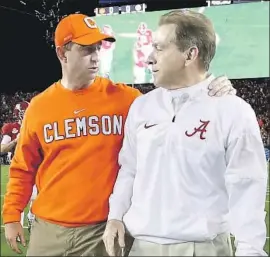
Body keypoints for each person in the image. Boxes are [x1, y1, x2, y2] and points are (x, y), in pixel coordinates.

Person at [3, 13, 235, 256]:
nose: (95, 57)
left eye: (97, 48)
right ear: (62, 54)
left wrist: (210, 90)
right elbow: (23, 168)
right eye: (85, 50)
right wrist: (11, 215)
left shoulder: (128, 100)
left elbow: (177, 105)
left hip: (104, 230)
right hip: (48, 231)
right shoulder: (40, 107)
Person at [103, 10, 268, 257]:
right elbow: (129, 169)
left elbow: (247, 188)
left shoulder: (233, 111)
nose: (149, 58)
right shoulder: (141, 106)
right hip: (141, 246)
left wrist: (251, 251)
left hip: (203, 248)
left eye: (159, 48)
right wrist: (115, 215)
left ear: (190, 54)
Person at [1, 101, 37, 233]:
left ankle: (32, 217)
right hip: (19, 167)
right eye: (21, 112)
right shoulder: (11, 127)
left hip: (36, 166)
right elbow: (2, 148)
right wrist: (16, 141)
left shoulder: (36, 124)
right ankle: (18, 227)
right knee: (19, 198)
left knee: (36, 196)